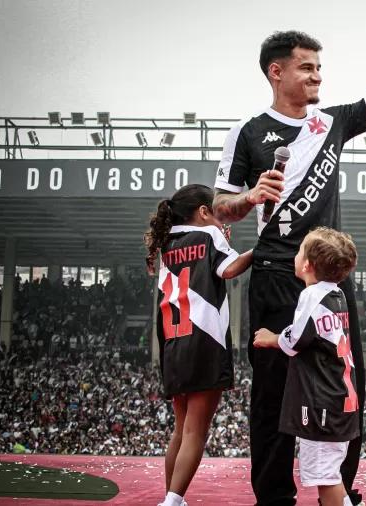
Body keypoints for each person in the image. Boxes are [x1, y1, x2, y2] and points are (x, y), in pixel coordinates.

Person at [211, 1, 366, 504]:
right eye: (307, 67)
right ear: (277, 72)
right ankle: (273, 495)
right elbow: (217, 208)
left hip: (329, 279)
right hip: (275, 272)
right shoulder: (247, 133)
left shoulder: (332, 122)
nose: (318, 76)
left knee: (345, 383)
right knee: (271, 390)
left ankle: (341, 489)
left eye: (320, 67)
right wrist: (250, 198)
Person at [144, 184, 253, 506]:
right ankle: (173, 501)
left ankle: (171, 496)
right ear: (205, 212)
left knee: (180, 429)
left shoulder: (166, 244)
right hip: (205, 340)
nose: (223, 221)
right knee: (195, 431)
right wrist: (262, 249)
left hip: (173, 342)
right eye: (219, 213)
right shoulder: (208, 236)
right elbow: (230, 269)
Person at [252, 228, 360, 506]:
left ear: (307, 265)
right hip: (340, 400)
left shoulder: (311, 296)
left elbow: (295, 340)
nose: (295, 254)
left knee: (326, 479)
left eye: (299, 250)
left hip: (322, 404)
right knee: (331, 473)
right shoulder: (337, 296)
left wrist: (271, 338)